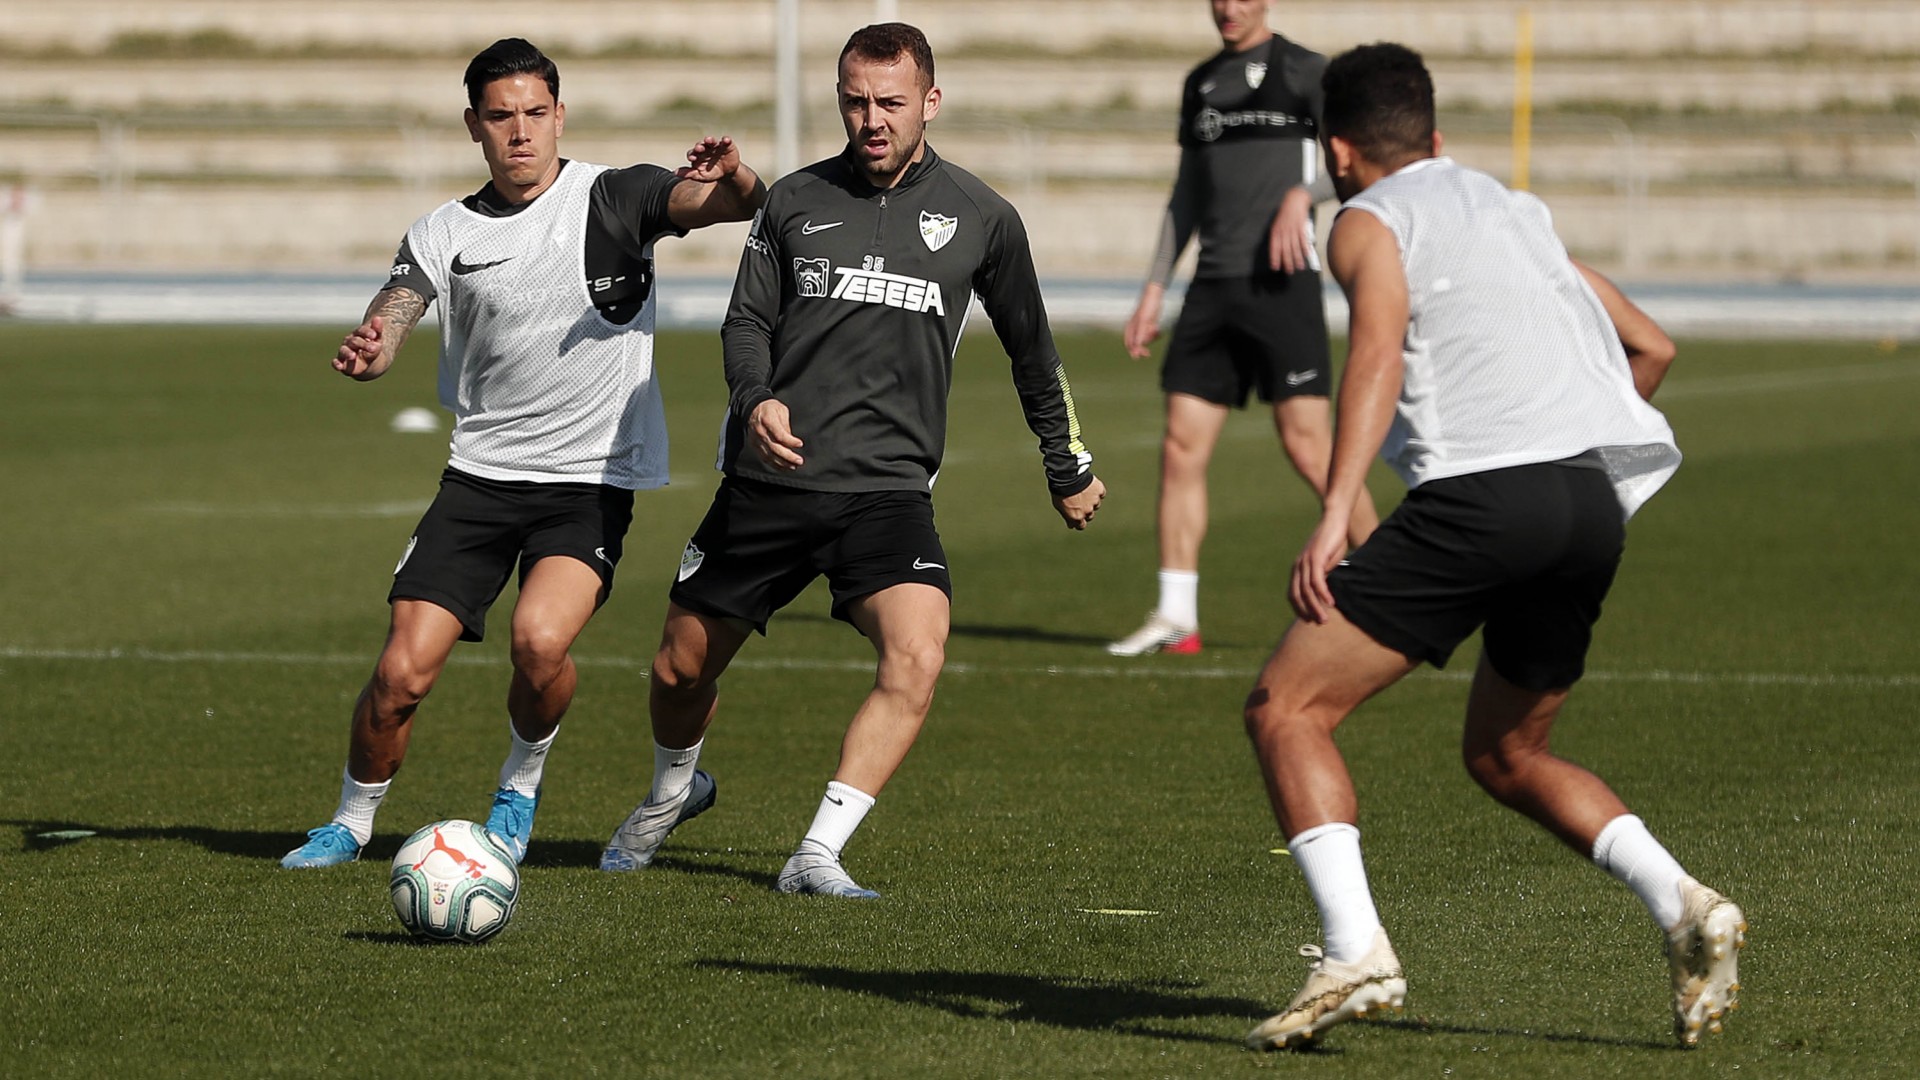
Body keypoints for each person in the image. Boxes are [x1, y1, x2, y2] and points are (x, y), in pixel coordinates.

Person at [1240, 43, 1745, 1049]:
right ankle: (1686, 905)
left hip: (1485, 499)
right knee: (1508, 751)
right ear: (1435, 136)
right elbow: (1654, 348)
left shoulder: (1367, 221)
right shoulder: (1517, 213)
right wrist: (1552, 450)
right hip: (1589, 501)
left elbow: (1377, 347)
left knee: (1287, 706)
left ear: (1338, 152)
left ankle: (1354, 949)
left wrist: (1337, 508)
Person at [598, 22, 1105, 897]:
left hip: (887, 493)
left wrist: (1065, 463)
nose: (871, 119)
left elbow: (1034, 350)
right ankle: (673, 792)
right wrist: (754, 400)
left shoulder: (984, 217)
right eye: (855, 100)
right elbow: (746, 322)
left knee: (918, 653)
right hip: (771, 482)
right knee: (680, 668)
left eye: (891, 103)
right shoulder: (794, 200)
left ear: (930, 103)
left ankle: (816, 854)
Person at [281, 38, 765, 869]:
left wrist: (737, 172)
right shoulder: (444, 229)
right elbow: (401, 300)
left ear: (559, 115)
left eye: (535, 114)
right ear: (474, 125)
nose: (520, 133)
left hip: (587, 483)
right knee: (400, 674)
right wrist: (379, 340)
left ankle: (520, 784)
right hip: (478, 479)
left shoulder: (614, 195)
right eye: (501, 117)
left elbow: (731, 206)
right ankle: (350, 823)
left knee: (540, 642)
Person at [1108, 0, 1378, 658]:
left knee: (1311, 448)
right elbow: (1186, 196)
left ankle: (1389, 586)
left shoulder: (1306, 72)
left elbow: (1360, 159)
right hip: (1212, 289)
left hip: (1284, 286)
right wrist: (1153, 288)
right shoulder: (1201, 82)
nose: (1227, 8)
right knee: (1180, 448)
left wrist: (1302, 194)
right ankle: (1177, 614)